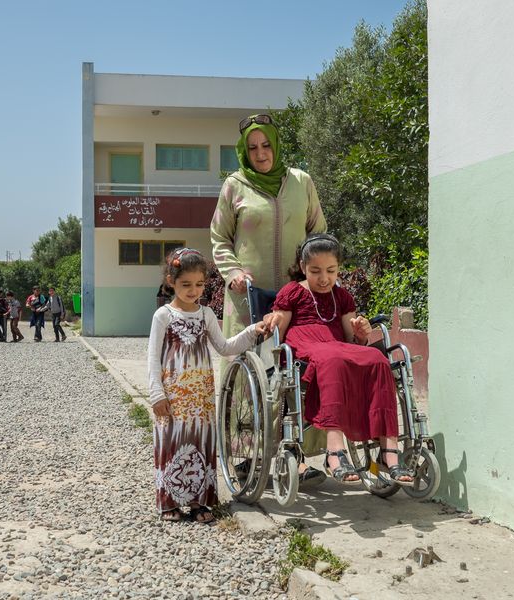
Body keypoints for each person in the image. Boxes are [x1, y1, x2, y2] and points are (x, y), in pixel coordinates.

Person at [210, 113, 328, 483]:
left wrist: (310, 274)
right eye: (253, 148)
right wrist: (233, 273)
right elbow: (219, 238)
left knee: (296, 372)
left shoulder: (301, 182)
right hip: (247, 300)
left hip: (295, 300)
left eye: (266, 146)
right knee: (248, 378)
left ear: (276, 146)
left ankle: (299, 456)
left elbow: (317, 232)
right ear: (245, 152)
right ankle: (245, 456)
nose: (261, 154)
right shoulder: (235, 185)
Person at [262, 234, 414, 485]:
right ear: (302, 267)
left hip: (335, 346)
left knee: (376, 358)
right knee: (331, 358)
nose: (324, 278)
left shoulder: (342, 297)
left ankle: (389, 453)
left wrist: (362, 333)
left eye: (331, 270)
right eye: (316, 271)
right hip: (304, 344)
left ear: (339, 268)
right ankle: (335, 451)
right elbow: (279, 336)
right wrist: (272, 320)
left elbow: (351, 342)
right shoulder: (293, 291)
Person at [147, 248, 267, 523]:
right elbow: (153, 356)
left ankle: (201, 502)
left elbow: (225, 348)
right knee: (172, 443)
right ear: (171, 282)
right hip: (173, 396)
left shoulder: (206, 315)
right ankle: (169, 503)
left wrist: (252, 330)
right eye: (185, 284)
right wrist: (156, 394)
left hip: (201, 398)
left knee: (201, 443)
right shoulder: (163, 316)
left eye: (199, 284)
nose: (193, 290)